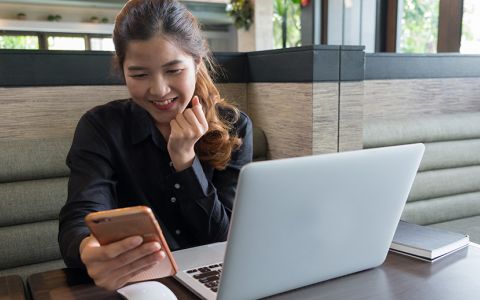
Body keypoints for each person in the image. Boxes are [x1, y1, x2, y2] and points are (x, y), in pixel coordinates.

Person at [58, 0, 252, 290]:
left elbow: (225, 240)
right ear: (121, 69)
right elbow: (80, 217)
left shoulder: (234, 126)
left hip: (215, 281)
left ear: (197, 63)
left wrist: (185, 162)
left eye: (174, 70)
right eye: (139, 74)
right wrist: (89, 250)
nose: (159, 90)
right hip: (137, 283)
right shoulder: (101, 127)